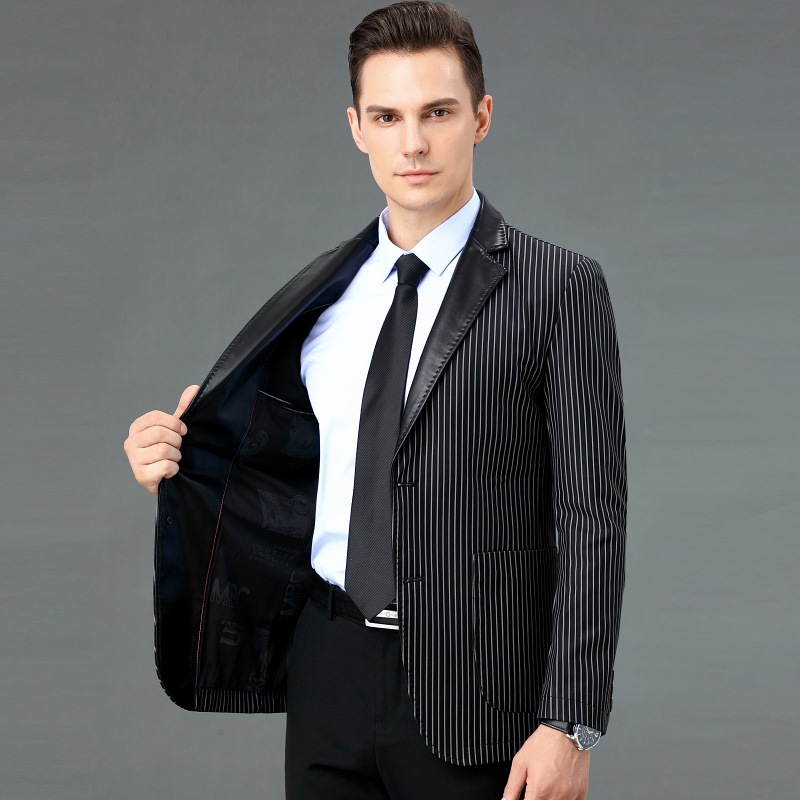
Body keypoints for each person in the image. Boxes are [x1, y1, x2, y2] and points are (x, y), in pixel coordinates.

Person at [123, 3, 626, 799]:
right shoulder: (322, 296)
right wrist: (180, 463)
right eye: (388, 117)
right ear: (358, 128)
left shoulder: (559, 289)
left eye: (438, 113)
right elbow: (285, 476)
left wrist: (570, 722)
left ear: (481, 118)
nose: (413, 143)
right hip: (327, 668)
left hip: (480, 687)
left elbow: (593, 518)